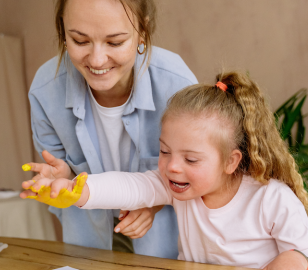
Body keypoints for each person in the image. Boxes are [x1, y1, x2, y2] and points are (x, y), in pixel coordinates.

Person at [21, 71, 308, 269]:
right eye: (164, 151)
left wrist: (292, 262)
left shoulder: (271, 199)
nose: (172, 167)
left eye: (191, 160)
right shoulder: (177, 186)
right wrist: (77, 188)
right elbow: (131, 187)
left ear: (231, 161)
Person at [24, 0, 197, 259]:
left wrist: (155, 202)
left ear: (143, 32)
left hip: (166, 247)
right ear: (63, 32)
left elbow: (200, 174)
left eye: (115, 42)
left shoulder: (177, 85)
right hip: (88, 241)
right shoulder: (45, 90)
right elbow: (63, 173)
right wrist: (64, 175)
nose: (97, 59)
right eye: (80, 41)